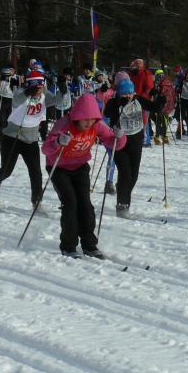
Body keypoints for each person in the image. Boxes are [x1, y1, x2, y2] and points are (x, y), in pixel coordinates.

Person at [43, 94, 126, 259]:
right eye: (85, 119)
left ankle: (89, 245)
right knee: (70, 204)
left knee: (86, 206)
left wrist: (119, 136)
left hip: (80, 167)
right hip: (59, 168)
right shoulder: (64, 125)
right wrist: (58, 142)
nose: (89, 123)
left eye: (92, 119)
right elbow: (45, 149)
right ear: (77, 116)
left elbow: (113, 143)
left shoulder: (96, 125)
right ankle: (68, 246)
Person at [0, 71, 63, 208]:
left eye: (41, 84)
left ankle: (36, 200)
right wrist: (28, 92)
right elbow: (16, 101)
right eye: (36, 85)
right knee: (7, 169)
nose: (39, 88)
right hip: (12, 137)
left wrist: (63, 90)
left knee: (36, 173)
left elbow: (59, 102)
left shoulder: (44, 93)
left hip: (31, 139)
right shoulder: (20, 91)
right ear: (29, 84)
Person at [103, 74, 165, 218]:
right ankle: (122, 205)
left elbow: (154, 107)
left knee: (134, 175)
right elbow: (107, 113)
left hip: (136, 140)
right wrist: (120, 103)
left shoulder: (138, 100)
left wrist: (161, 101)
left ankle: (123, 191)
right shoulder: (114, 102)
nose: (128, 96)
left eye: (130, 93)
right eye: (125, 93)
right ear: (119, 93)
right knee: (125, 173)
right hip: (120, 142)